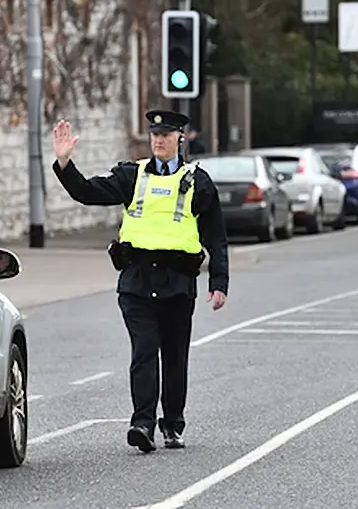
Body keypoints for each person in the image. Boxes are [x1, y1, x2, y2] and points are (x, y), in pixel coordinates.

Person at [51, 109, 229, 453]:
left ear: (180, 138)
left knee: (174, 356)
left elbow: (216, 237)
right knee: (144, 351)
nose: (158, 140)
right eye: (154, 134)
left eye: (165, 134)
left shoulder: (198, 181)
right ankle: (142, 423)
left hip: (178, 283)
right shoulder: (132, 175)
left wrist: (218, 282)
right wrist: (64, 163)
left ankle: (172, 423)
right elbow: (87, 192)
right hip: (136, 281)